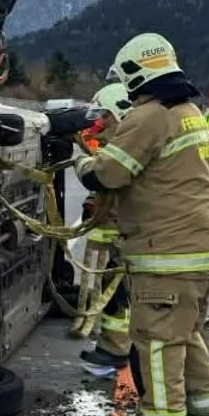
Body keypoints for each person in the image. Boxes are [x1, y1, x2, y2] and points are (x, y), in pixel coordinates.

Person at [73, 33, 209, 416]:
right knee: (185, 335)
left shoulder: (149, 116)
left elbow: (108, 174)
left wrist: (77, 157)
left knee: (158, 343)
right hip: (200, 250)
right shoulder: (189, 112)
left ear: (134, 74)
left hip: (167, 255)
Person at [78, 82, 134, 377]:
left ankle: (120, 351)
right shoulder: (121, 145)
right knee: (116, 293)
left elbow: (104, 178)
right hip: (125, 235)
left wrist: (81, 161)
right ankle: (114, 348)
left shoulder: (129, 149)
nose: (103, 123)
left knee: (124, 295)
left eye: (108, 117)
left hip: (134, 236)